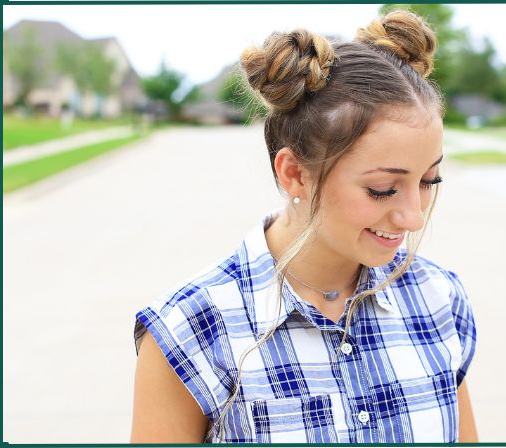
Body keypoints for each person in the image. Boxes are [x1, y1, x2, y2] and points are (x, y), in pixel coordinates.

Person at [131, 10, 477, 443]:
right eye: (384, 189)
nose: (414, 217)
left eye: (429, 181)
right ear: (294, 173)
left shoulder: (438, 298)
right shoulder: (191, 330)